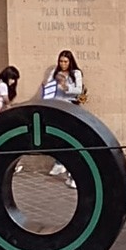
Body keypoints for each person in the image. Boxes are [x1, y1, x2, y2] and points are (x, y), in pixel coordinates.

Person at [45, 50, 85, 184]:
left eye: (65, 62)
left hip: (69, 105)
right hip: (56, 105)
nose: (63, 64)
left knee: (69, 136)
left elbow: (78, 89)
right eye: (61, 61)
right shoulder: (55, 73)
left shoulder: (76, 73)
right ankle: (59, 162)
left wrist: (66, 87)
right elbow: (49, 86)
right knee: (57, 136)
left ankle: (70, 171)